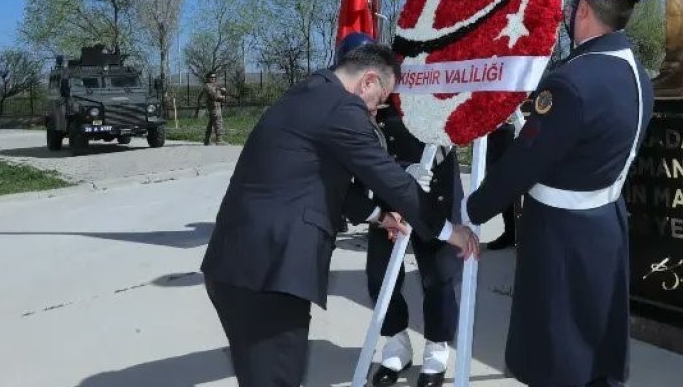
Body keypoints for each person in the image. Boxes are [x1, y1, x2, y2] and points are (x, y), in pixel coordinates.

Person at [200, 42, 481, 387]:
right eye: (380, 97)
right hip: (270, 275)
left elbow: (322, 180)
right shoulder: (341, 109)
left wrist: (380, 216)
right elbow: (391, 181)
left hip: (235, 266)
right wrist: (450, 231)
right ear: (368, 81)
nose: (378, 109)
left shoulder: (308, 93)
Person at [462, 0, 654, 387]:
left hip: (561, 234)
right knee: (599, 337)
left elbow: (521, 164)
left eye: (571, 6)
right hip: (607, 222)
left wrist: (469, 211)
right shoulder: (637, 74)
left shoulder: (572, 82)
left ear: (582, 8)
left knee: (558, 351)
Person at [336, 33, 463, 387]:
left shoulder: (415, 89)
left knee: (437, 274)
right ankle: (397, 341)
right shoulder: (347, 105)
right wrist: (383, 205)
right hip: (385, 198)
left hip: (432, 192)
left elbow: (448, 133)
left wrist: (419, 170)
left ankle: (437, 346)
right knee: (379, 275)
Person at [482, 120, 519, 251]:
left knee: (511, 182)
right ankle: (511, 232)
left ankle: (517, 234)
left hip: (510, 125)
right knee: (500, 185)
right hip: (492, 129)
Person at [202, 72, 227, 145]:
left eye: (214, 77)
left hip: (216, 106)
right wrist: (222, 97)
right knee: (218, 122)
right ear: (208, 78)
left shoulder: (214, 86)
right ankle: (219, 140)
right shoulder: (207, 86)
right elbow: (213, 96)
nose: (213, 79)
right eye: (211, 77)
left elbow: (219, 92)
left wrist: (223, 91)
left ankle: (206, 140)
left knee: (211, 123)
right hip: (213, 107)